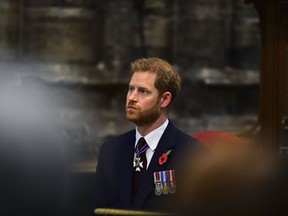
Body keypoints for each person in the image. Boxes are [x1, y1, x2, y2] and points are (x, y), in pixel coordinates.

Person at [92, 58, 203, 213]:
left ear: (164, 99)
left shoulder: (192, 154)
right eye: (131, 89)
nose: (132, 98)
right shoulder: (110, 151)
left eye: (143, 91)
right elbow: (99, 210)